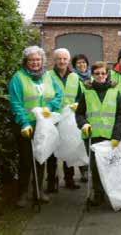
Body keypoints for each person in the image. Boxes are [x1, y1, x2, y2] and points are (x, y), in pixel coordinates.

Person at [9, 46, 63, 207]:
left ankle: (38, 191)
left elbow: (59, 94)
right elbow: (16, 103)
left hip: (43, 125)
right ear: (26, 61)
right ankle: (23, 193)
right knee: (26, 160)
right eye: (32, 60)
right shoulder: (18, 78)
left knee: (41, 157)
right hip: (26, 126)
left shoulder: (48, 76)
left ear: (42, 61)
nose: (35, 62)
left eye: (38, 59)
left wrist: (51, 107)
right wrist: (24, 123)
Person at [75, 61, 121, 206]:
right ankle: (98, 194)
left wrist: (117, 136)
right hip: (92, 136)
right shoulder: (87, 93)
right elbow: (79, 113)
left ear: (107, 74)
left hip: (110, 137)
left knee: (111, 166)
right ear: (92, 75)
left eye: (103, 73)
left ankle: (112, 193)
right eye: (97, 73)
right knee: (95, 167)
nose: (100, 76)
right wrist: (83, 123)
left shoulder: (115, 92)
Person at [45, 48, 82, 192]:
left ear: (68, 60)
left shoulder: (75, 77)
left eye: (64, 59)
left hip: (69, 119)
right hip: (53, 118)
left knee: (69, 148)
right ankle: (51, 182)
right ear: (54, 60)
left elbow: (80, 96)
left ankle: (69, 179)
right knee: (52, 151)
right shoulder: (47, 76)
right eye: (59, 59)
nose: (62, 61)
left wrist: (77, 105)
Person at [72, 53, 91, 183]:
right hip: (79, 113)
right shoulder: (73, 78)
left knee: (90, 142)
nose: (81, 65)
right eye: (78, 63)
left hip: (92, 113)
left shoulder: (92, 77)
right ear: (74, 65)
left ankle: (91, 168)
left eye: (83, 62)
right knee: (81, 143)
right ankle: (83, 171)